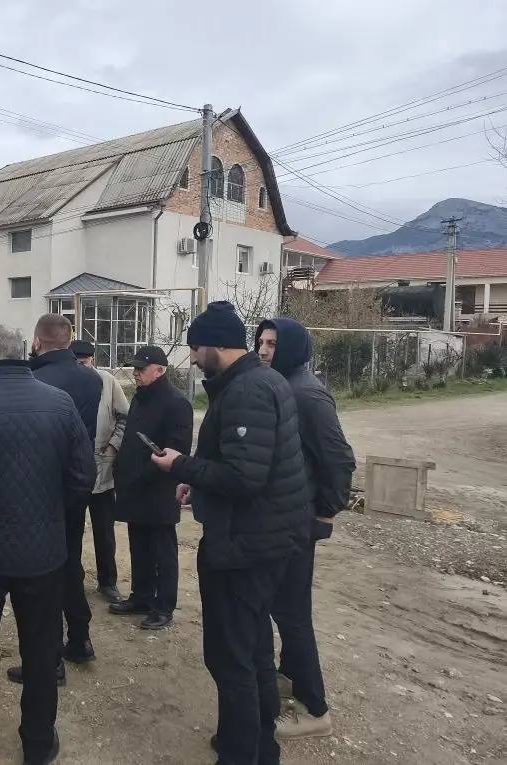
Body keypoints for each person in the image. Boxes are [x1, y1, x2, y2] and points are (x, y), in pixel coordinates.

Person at [149, 301, 309, 765]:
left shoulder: (246, 391)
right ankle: (260, 745)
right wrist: (196, 481)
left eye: (196, 348)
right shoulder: (261, 381)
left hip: (245, 547)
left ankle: (241, 752)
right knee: (253, 647)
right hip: (261, 539)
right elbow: (248, 463)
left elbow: (244, 477)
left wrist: (180, 465)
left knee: (231, 658)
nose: (193, 357)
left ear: (216, 345)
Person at [0, 325, 95, 765]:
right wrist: (49, 512)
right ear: (23, 352)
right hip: (43, 552)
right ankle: (38, 744)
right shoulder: (60, 403)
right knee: (42, 651)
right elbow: (83, 475)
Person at [255, 318, 355, 740]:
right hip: (285, 517)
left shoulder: (307, 394)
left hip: (299, 520)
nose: (263, 350)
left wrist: (326, 512)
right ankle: (291, 674)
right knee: (284, 605)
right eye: (261, 342)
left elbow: (339, 458)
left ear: (294, 348)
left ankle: (315, 709)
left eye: (273, 344)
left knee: (292, 612)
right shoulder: (283, 385)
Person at [20, 314, 101, 680]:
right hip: (77, 482)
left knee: (45, 571)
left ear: (38, 341)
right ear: (69, 342)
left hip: (41, 485)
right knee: (70, 561)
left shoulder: (34, 380)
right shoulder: (91, 379)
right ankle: (80, 638)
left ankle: (50, 659)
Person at [109, 346, 193, 630]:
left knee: (162, 551)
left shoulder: (176, 403)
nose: (135, 373)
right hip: (135, 487)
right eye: (134, 369)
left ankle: (163, 606)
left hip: (159, 490)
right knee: (139, 545)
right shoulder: (140, 397)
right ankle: (142, 597)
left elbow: (177, 450)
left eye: (141, 369)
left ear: (160, 370)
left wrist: (144, 473)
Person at [68, 340, 129, 603]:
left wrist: (113, 446)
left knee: (104, 531)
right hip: (73, 470)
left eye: (84, 362)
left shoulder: (107, 381)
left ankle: (108, 582)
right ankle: (73, 580)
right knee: (72, 530)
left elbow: (124, 416)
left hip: (102, 467)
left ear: (92, 360)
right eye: (76, 363)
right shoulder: (67, 382)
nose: (81, 367)